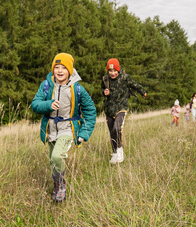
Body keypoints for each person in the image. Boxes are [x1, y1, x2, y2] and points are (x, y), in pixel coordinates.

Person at [30, 52, 96, 202]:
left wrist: (84, 133)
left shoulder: (78, 89)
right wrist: (48, 105)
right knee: (53, 161)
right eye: (57, 67)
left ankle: (61, 186)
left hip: (68, 128)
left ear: (70, 70)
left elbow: (90, 111)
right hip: (51, 129)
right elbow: (35, 104)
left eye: (64, 68)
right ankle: (56, 185)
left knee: (57, 156)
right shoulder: (46, 85)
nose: (60, 71)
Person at [101, 57, 147, 164]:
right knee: (112, 132)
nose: (112, 73)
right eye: (110, 71)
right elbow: (102, 89)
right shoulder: (105, 79)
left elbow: (134, 85)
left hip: (121, 108)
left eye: (114, 71)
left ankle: (120, 150)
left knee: (117, 128)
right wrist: (104, 92)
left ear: (118, 69)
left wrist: (143, 92)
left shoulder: (125, 78)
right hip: (109, 109)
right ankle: (115, 152)